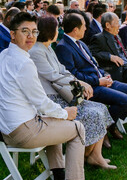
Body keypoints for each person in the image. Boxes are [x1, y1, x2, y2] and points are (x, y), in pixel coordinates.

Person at [0, 12, 94, 180]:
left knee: (56, 120)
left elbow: (37, 102)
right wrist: (65, 113)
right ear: (12, 34)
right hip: (22, 131)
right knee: (78, 128)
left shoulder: (4, 55)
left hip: (8, 127)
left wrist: (59, 115)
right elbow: (40, 101)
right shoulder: (24, 62)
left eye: (34, 31)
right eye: (25, 31)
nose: (31, 36)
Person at [30, 16, 115, 168]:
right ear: (50, 31)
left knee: (101, 108)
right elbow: (53, 75)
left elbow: (62, 70)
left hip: (61, 94)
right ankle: (85, 154)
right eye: (57, 28)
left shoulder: (48, 47)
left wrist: (79, 82)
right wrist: (79, 83)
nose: (59, 31)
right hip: (52, 99)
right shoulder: (37, 51)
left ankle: (95, 155)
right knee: (92, 113)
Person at [55, 12, 127, 142]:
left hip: (101, 80)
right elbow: (73, 75)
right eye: (84, 26)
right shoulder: (63, 47)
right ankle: (104, 130)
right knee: (124, 100)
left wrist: (106, 76)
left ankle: (109, 126)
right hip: (90, 87)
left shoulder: (81, 43)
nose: (86, 28)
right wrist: (98, 81)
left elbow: (94, 65)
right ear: (75, 29)